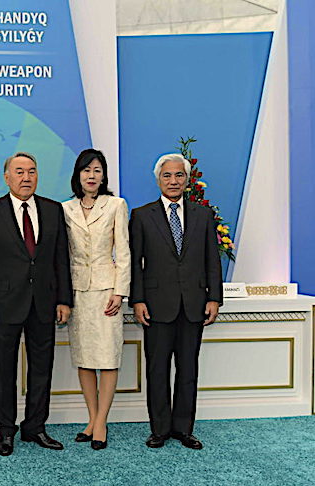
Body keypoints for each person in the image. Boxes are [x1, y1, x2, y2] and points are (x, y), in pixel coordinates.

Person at [0, 152, 73, 456]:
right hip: (2, 305)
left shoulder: (53, 210)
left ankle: (35, 427)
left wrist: (64, 300)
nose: (26, 177)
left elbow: (60, 259)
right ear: (6, 177)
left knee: (42, 368)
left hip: (44, 303)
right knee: (3, 369)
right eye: (19, 172)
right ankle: (5, 430)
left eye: (31, 171)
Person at [129, 153, 222, 450]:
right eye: (167, 176)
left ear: (187, 179)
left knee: (188, 370)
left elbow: (212, 260)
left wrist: (214, 298)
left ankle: (184, 429)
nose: (173, 181)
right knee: (157, 370)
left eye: (179, 175)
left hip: (194, 304)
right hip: (155, 306)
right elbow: (135, 264)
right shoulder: (142, 216)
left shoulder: (203, 215)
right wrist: (138, 300)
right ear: (158, 179)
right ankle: (159, 429)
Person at [61, 149, 129, 450]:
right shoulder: (65, 209)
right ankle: (92, 419)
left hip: (106, 291)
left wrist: (120, 290)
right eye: (87, 170)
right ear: (78, 175)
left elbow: (124, 252)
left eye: (97, 170)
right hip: (77, 291)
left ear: (104, 176)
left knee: (108, 357)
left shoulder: (116, 205)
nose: (92, 176)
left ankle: (102, 422)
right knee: (85, 358)